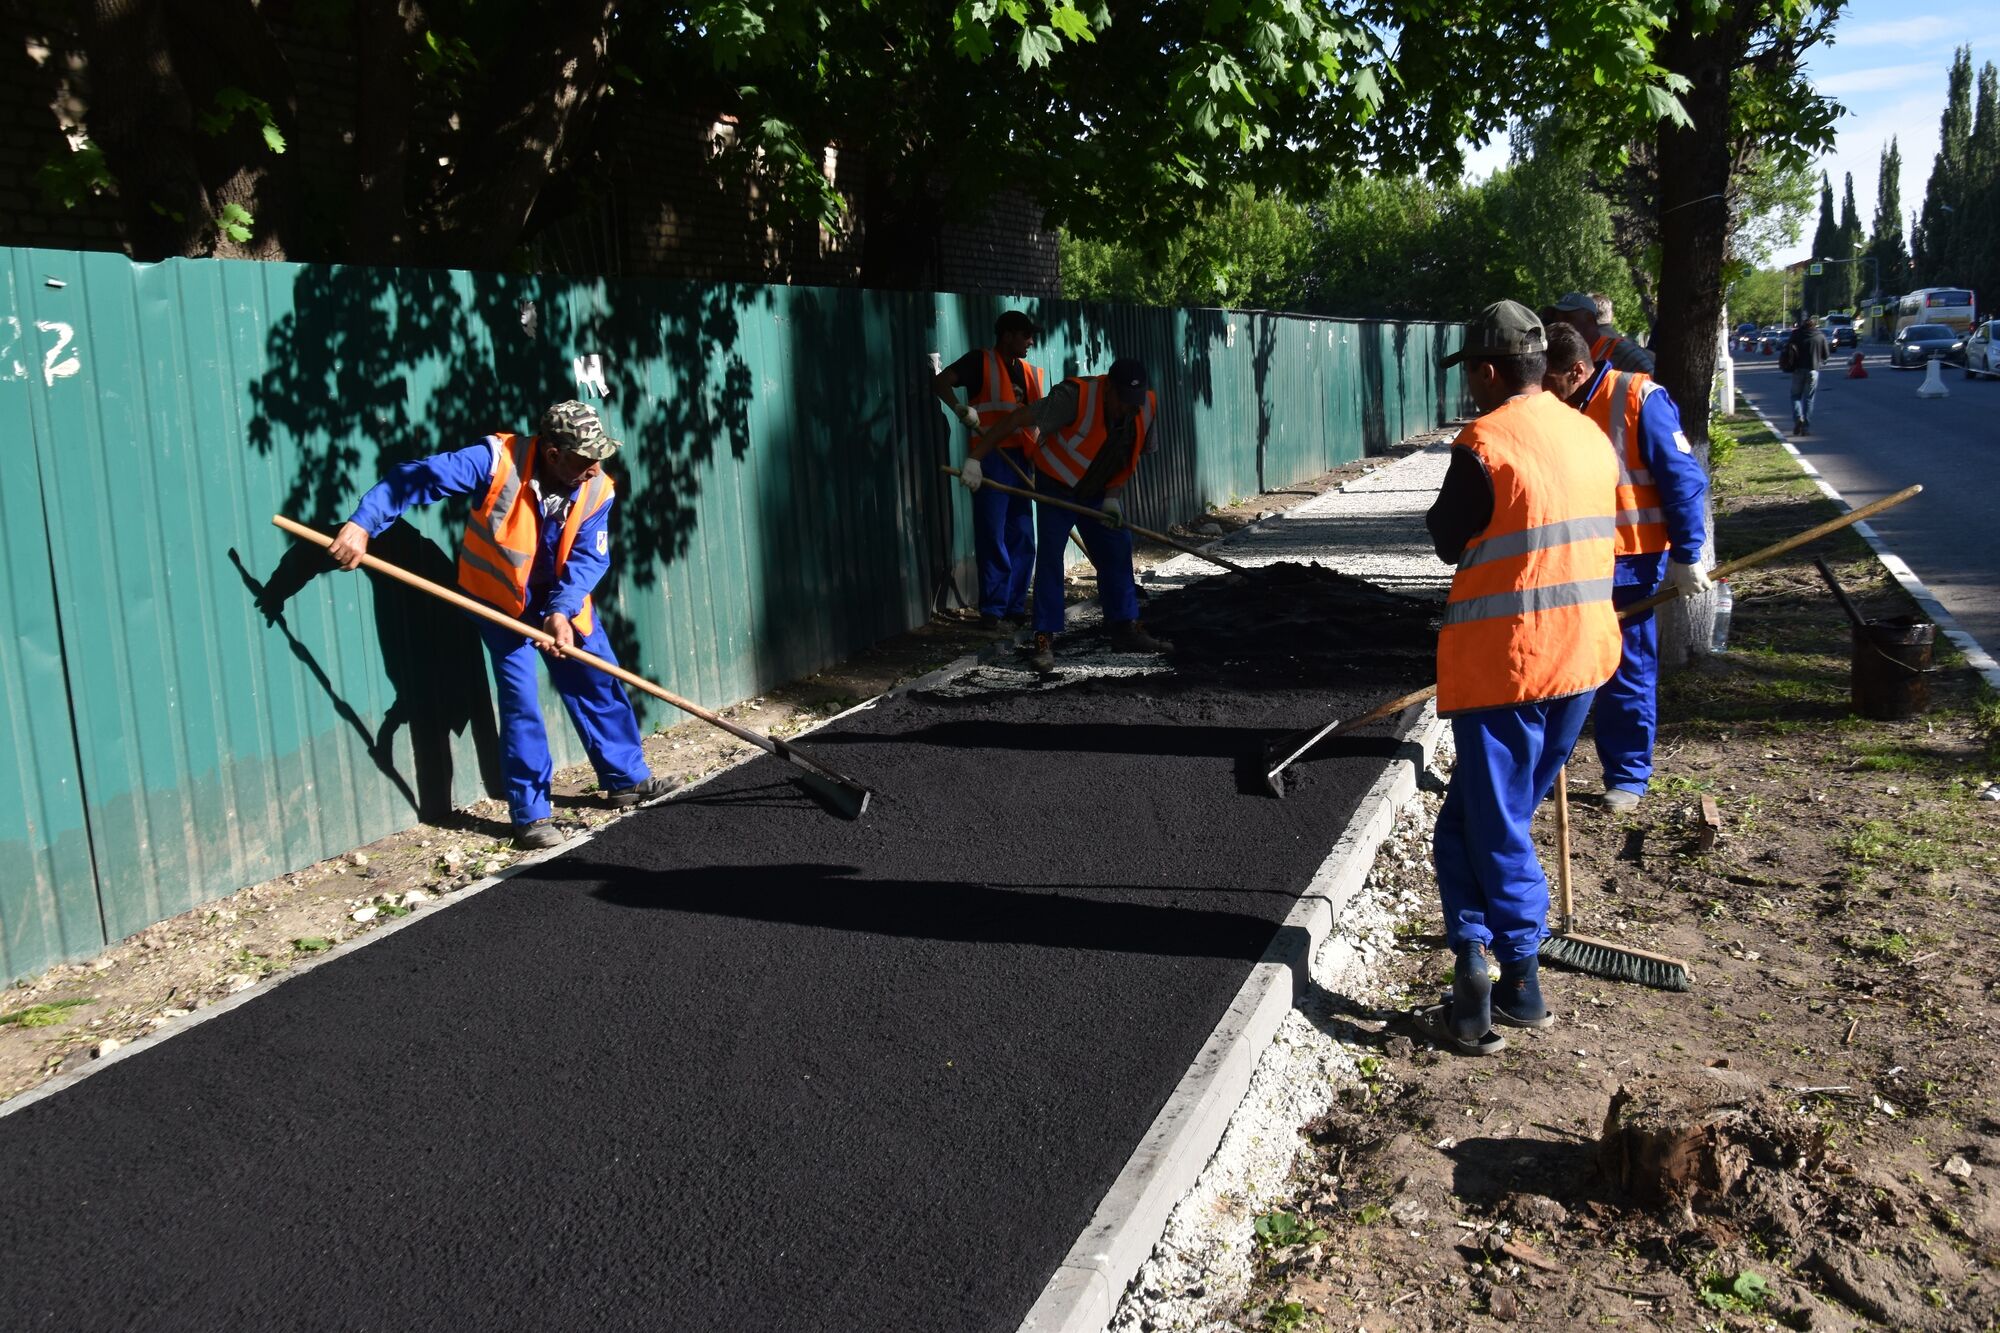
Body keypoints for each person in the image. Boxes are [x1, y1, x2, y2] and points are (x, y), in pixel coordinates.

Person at [327, 400, 674, 850]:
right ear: (552, 454)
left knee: (595, 674)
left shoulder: (597, 489)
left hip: (558, 598)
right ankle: (530, 815)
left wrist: (561, 611)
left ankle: (625, 777)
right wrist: (361, 524)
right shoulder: (494, 461)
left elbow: (589, 557)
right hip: (499, 602)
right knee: (520, 698)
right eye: (585, 460)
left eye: (598, 459)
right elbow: (412, 479)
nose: (594, 469)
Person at [1420, 301, 1623, 1055]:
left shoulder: (1486, 442)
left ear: (1486, 369)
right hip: (1581, 662)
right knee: (1471, 820)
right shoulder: (1588, 433)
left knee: (1496, 824)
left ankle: (1519, 975)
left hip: (1509, 666)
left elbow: (1447, 538)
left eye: (1469, 373)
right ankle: (1473, 964)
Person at [1542, 322, 1712, 813]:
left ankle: (1628, 776)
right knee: (1561, 668)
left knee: (1626, 671)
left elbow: (1683, 481)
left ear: (1576, 370)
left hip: (1627, 564)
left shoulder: (1637, 398)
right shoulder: (1558, 406)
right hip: (1567, 560)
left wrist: (1687, 553)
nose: (1543, 389)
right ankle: (1547, 768)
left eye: (1550, 378)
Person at [961, 357, 1170, 673]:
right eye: (1123, 401)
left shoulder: (1146, 407)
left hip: (1100, 490)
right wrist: (975, 459)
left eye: (1134, 403)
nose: (1128, 409)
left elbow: (1128, 457)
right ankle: (1043, 639)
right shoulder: (1075, 398)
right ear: (1108, 388)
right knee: (1050, 559)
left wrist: (1112, 499)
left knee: (1117, 549)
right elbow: (1018, 417)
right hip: (1057, 485)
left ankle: (1125, 628)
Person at [934, 311, 1045, 628]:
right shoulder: (980, 361)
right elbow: (940, 382)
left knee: (1023, 534)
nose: (1030, 341)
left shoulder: (1027, 371)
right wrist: (958, 407)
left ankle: (1013, 606)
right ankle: (994, 611)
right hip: (991, 458)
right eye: (1025, 335)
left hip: (1022, 460)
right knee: (993, 534)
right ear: (1007, 335)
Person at [1540, 291, 1654, 374]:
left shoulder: (1620, 351)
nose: (1560, 324)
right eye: (1557, 319)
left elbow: (1654, 391)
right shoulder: (1564, 356)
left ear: (1589, 319)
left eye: (1567, 318)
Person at [1782, 315, 1831, 434]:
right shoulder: (1820, 336)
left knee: (1795, 396)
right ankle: (1806, 427)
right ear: (1814, 325)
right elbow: (1826, 355)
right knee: (1809, 399)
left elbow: (1787, 349)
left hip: (1798, 369)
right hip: (1813, 370)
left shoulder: (1796, 335)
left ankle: (1798, 418)